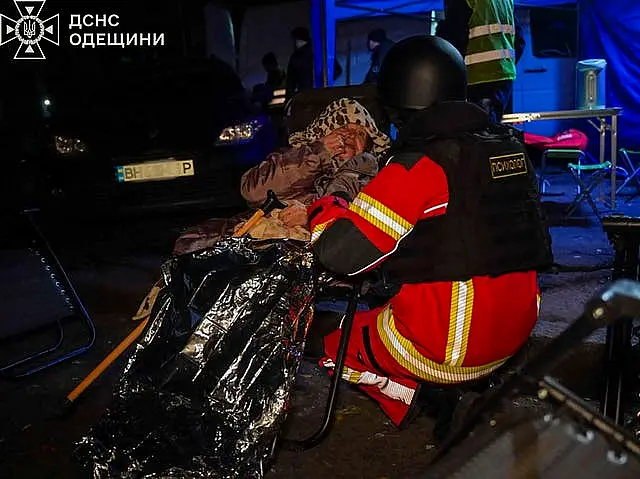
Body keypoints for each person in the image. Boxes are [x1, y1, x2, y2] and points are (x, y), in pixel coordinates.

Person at [306, 35, 552, 431]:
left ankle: (414, 397)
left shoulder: (417, 167)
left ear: (399, 106)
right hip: (517, 331)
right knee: (399, 302)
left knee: (331, 343)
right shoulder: (508, 150)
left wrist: (323, 210)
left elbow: (339, 254)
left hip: (450, 348)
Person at [172, 97, 390, 255]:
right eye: (342, 130)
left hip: (310, 259)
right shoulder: (295, 156)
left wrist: (310, 215)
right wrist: (317, 153)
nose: (349, 138)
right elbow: (253, 191)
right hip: (257, 245)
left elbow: (352, 211)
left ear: (369, 144)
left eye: (359, 133)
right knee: (191, 244)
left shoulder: (368, 171)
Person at [436, 0, 524, 122]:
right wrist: (504, 64)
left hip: (477, 77)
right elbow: (519, 40)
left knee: (478, 130)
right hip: (504, 75)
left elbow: (453, 39)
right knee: (492, 130)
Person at [285, 27, 343, 99]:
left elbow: (290, 83)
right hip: (322, 93)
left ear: (297, 40)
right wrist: (324, 79)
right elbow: (338, 70)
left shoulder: (296, 57)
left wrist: (288, 100)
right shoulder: (320, 51)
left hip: (305, 96)